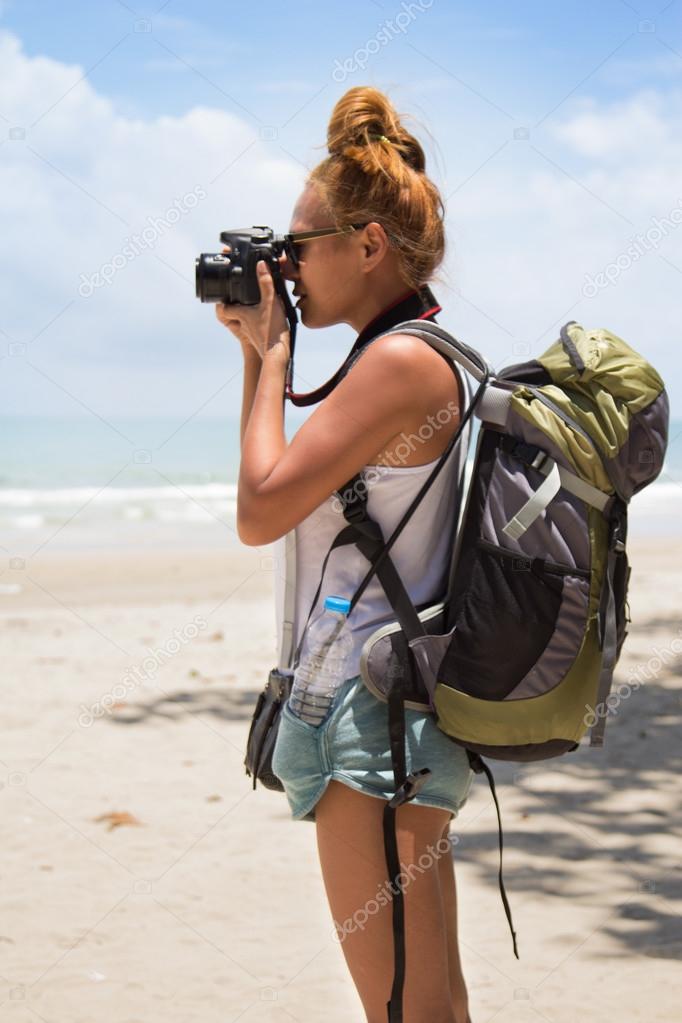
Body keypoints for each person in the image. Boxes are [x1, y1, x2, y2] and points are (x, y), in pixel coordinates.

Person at [216, 85, 474, 1023]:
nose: (286, 268)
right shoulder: (419, 350)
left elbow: (260, 509)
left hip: (373, 731)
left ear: (368, 246)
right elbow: (283, 490)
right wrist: (259, 348)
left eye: (298, 249)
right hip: (397, 715)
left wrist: (273, 356)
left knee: (403, 1012)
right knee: (432, 1007)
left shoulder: (401, 365)